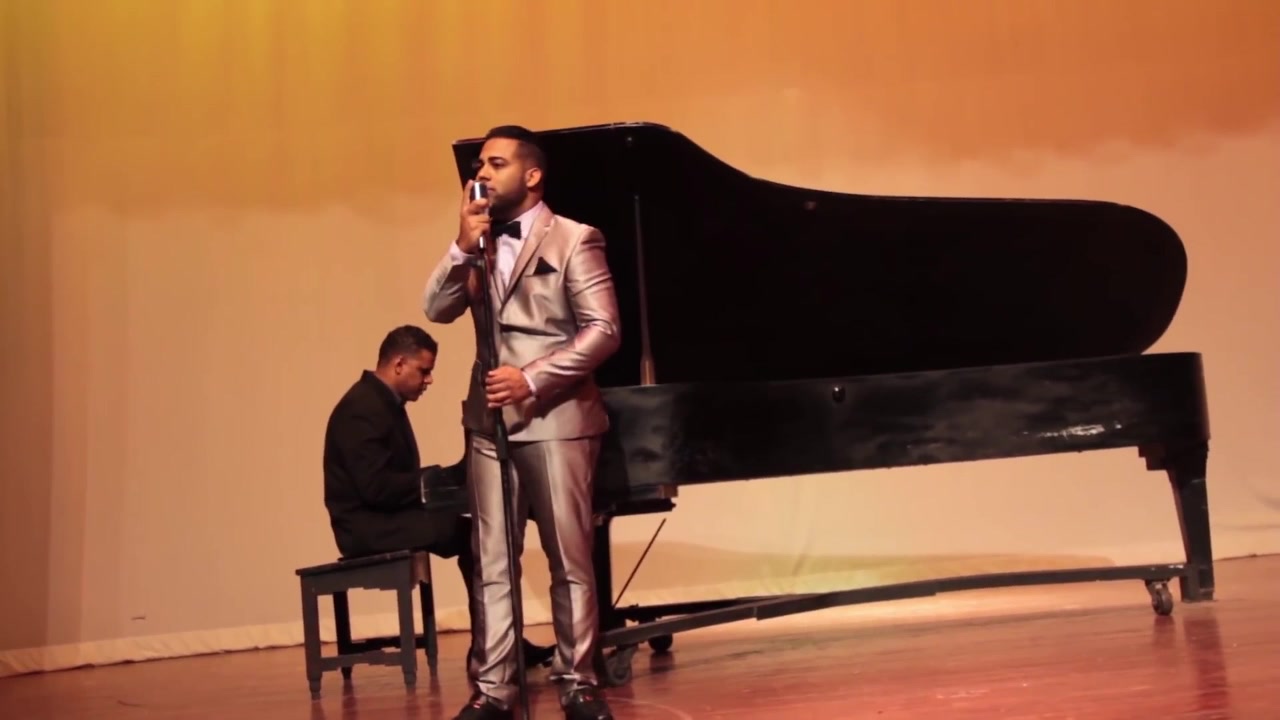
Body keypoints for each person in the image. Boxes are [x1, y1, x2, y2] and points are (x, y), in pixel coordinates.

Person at [422, 125, 621, 720]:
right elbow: (436, 308)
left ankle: (578, 682)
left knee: (569, 558)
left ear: (532, 176)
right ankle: (493, 690)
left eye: (496, 163)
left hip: (556, 417)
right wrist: (461, 246)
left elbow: (604, 330)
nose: (481, 173)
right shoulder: (478, 244)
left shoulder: (575, 238)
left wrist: (532, 378)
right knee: (492, 559)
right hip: (488, 423)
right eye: (479, 164)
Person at [322, 324, 553, 673]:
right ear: (399, 364)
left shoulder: (380, 402)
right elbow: (375, 488)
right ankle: (495, 647)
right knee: (478, 538)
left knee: (479, 536)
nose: (429, 379)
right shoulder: (362, 408)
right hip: (366, 528)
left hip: (385, 517)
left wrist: (447, 482)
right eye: (424, 370)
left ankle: (498, 644)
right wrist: (439, 479)